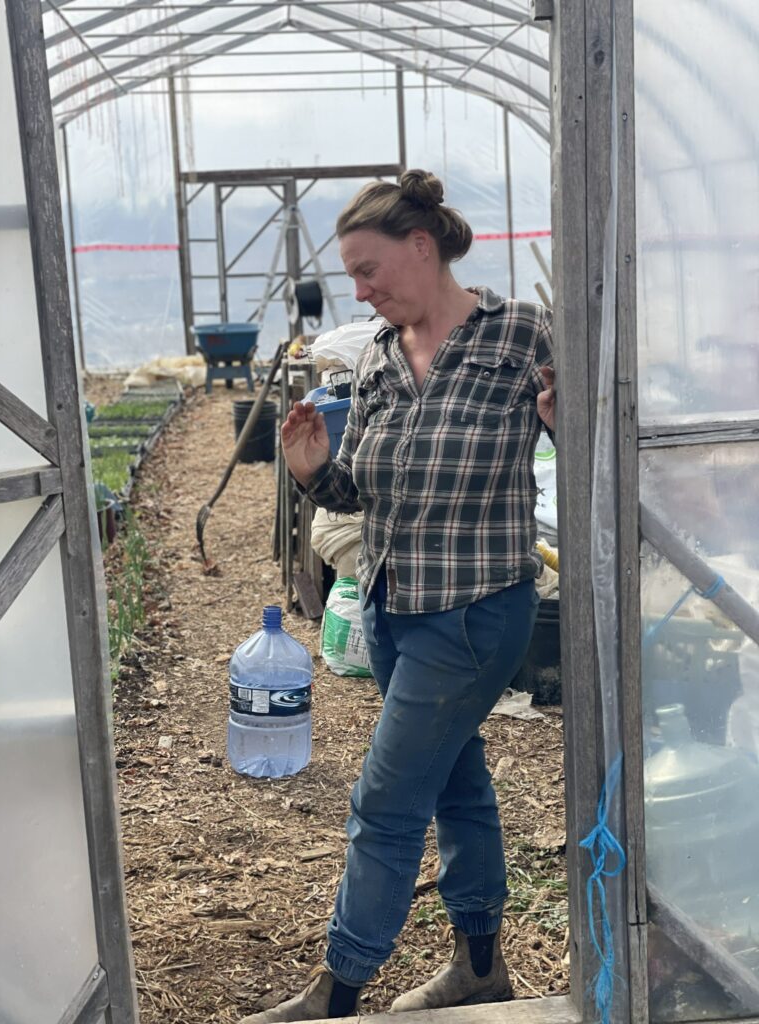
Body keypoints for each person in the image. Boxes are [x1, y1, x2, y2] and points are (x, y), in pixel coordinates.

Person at [241, 169, 556, 1024]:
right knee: (456, 783)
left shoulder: (522, 334)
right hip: (388, 606)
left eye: (368, 269)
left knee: (384, 800)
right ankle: (481, 967)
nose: (359, 289)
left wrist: (573, 422)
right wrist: (313, 474)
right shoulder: (379, 356)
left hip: (474, 610)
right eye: (351, 275)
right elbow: (358, 491)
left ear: (423, 247)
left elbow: (593, 437)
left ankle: (338, 992)